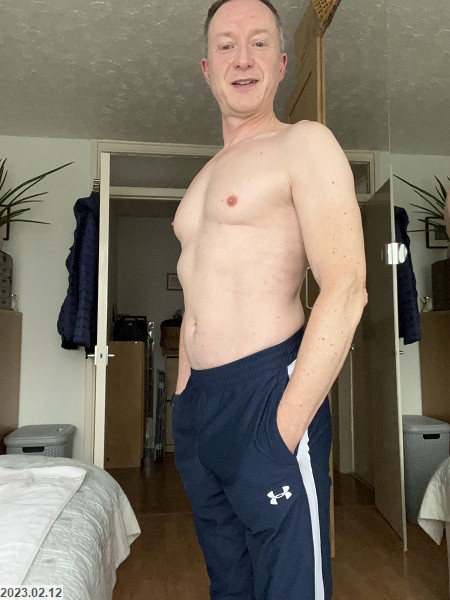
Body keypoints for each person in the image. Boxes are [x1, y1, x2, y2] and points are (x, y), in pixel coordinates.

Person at [171, 1, 367, 598]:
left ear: (281, 65)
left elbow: (346, 287)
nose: (242, 57)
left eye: (259, 43)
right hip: (199, 412)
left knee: (290, 586)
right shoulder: (203, 178)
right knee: (229, 583)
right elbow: (197, 297)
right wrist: (182, 402)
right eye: (226, 45)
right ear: (207, 68)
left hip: (265, 396)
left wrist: (284, 426)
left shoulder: (303, 144)